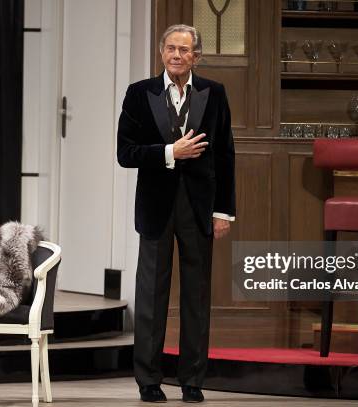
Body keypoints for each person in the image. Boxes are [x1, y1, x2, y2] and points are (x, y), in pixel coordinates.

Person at [117, 24, 236, 403]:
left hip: (199, 208)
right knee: (151, 294)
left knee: (197, 295)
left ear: (195, 56)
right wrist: (170, 152)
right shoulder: (140, 94)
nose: (176, 55)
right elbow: (125, 153)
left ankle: (192, 379)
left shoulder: (213, 93)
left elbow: (225, 155)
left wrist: (224, 212)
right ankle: (149, 380)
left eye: (184, 50)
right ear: (161, 52)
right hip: (156, 207)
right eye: (170, 48)